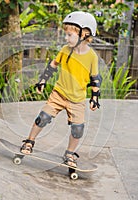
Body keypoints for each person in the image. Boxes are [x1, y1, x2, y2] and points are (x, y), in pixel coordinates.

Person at [20, 11, 102, 168]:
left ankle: (70, 153)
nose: (66, 38)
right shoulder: (65, 50)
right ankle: (29, 141)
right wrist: (43, 80)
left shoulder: (92, 57)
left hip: (77, 100)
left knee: (78, 129)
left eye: (69, 35)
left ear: (85, 34)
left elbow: (95, 78)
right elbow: (53, 65)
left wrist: (95, 97)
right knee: (42, 117)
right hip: (59, 94)